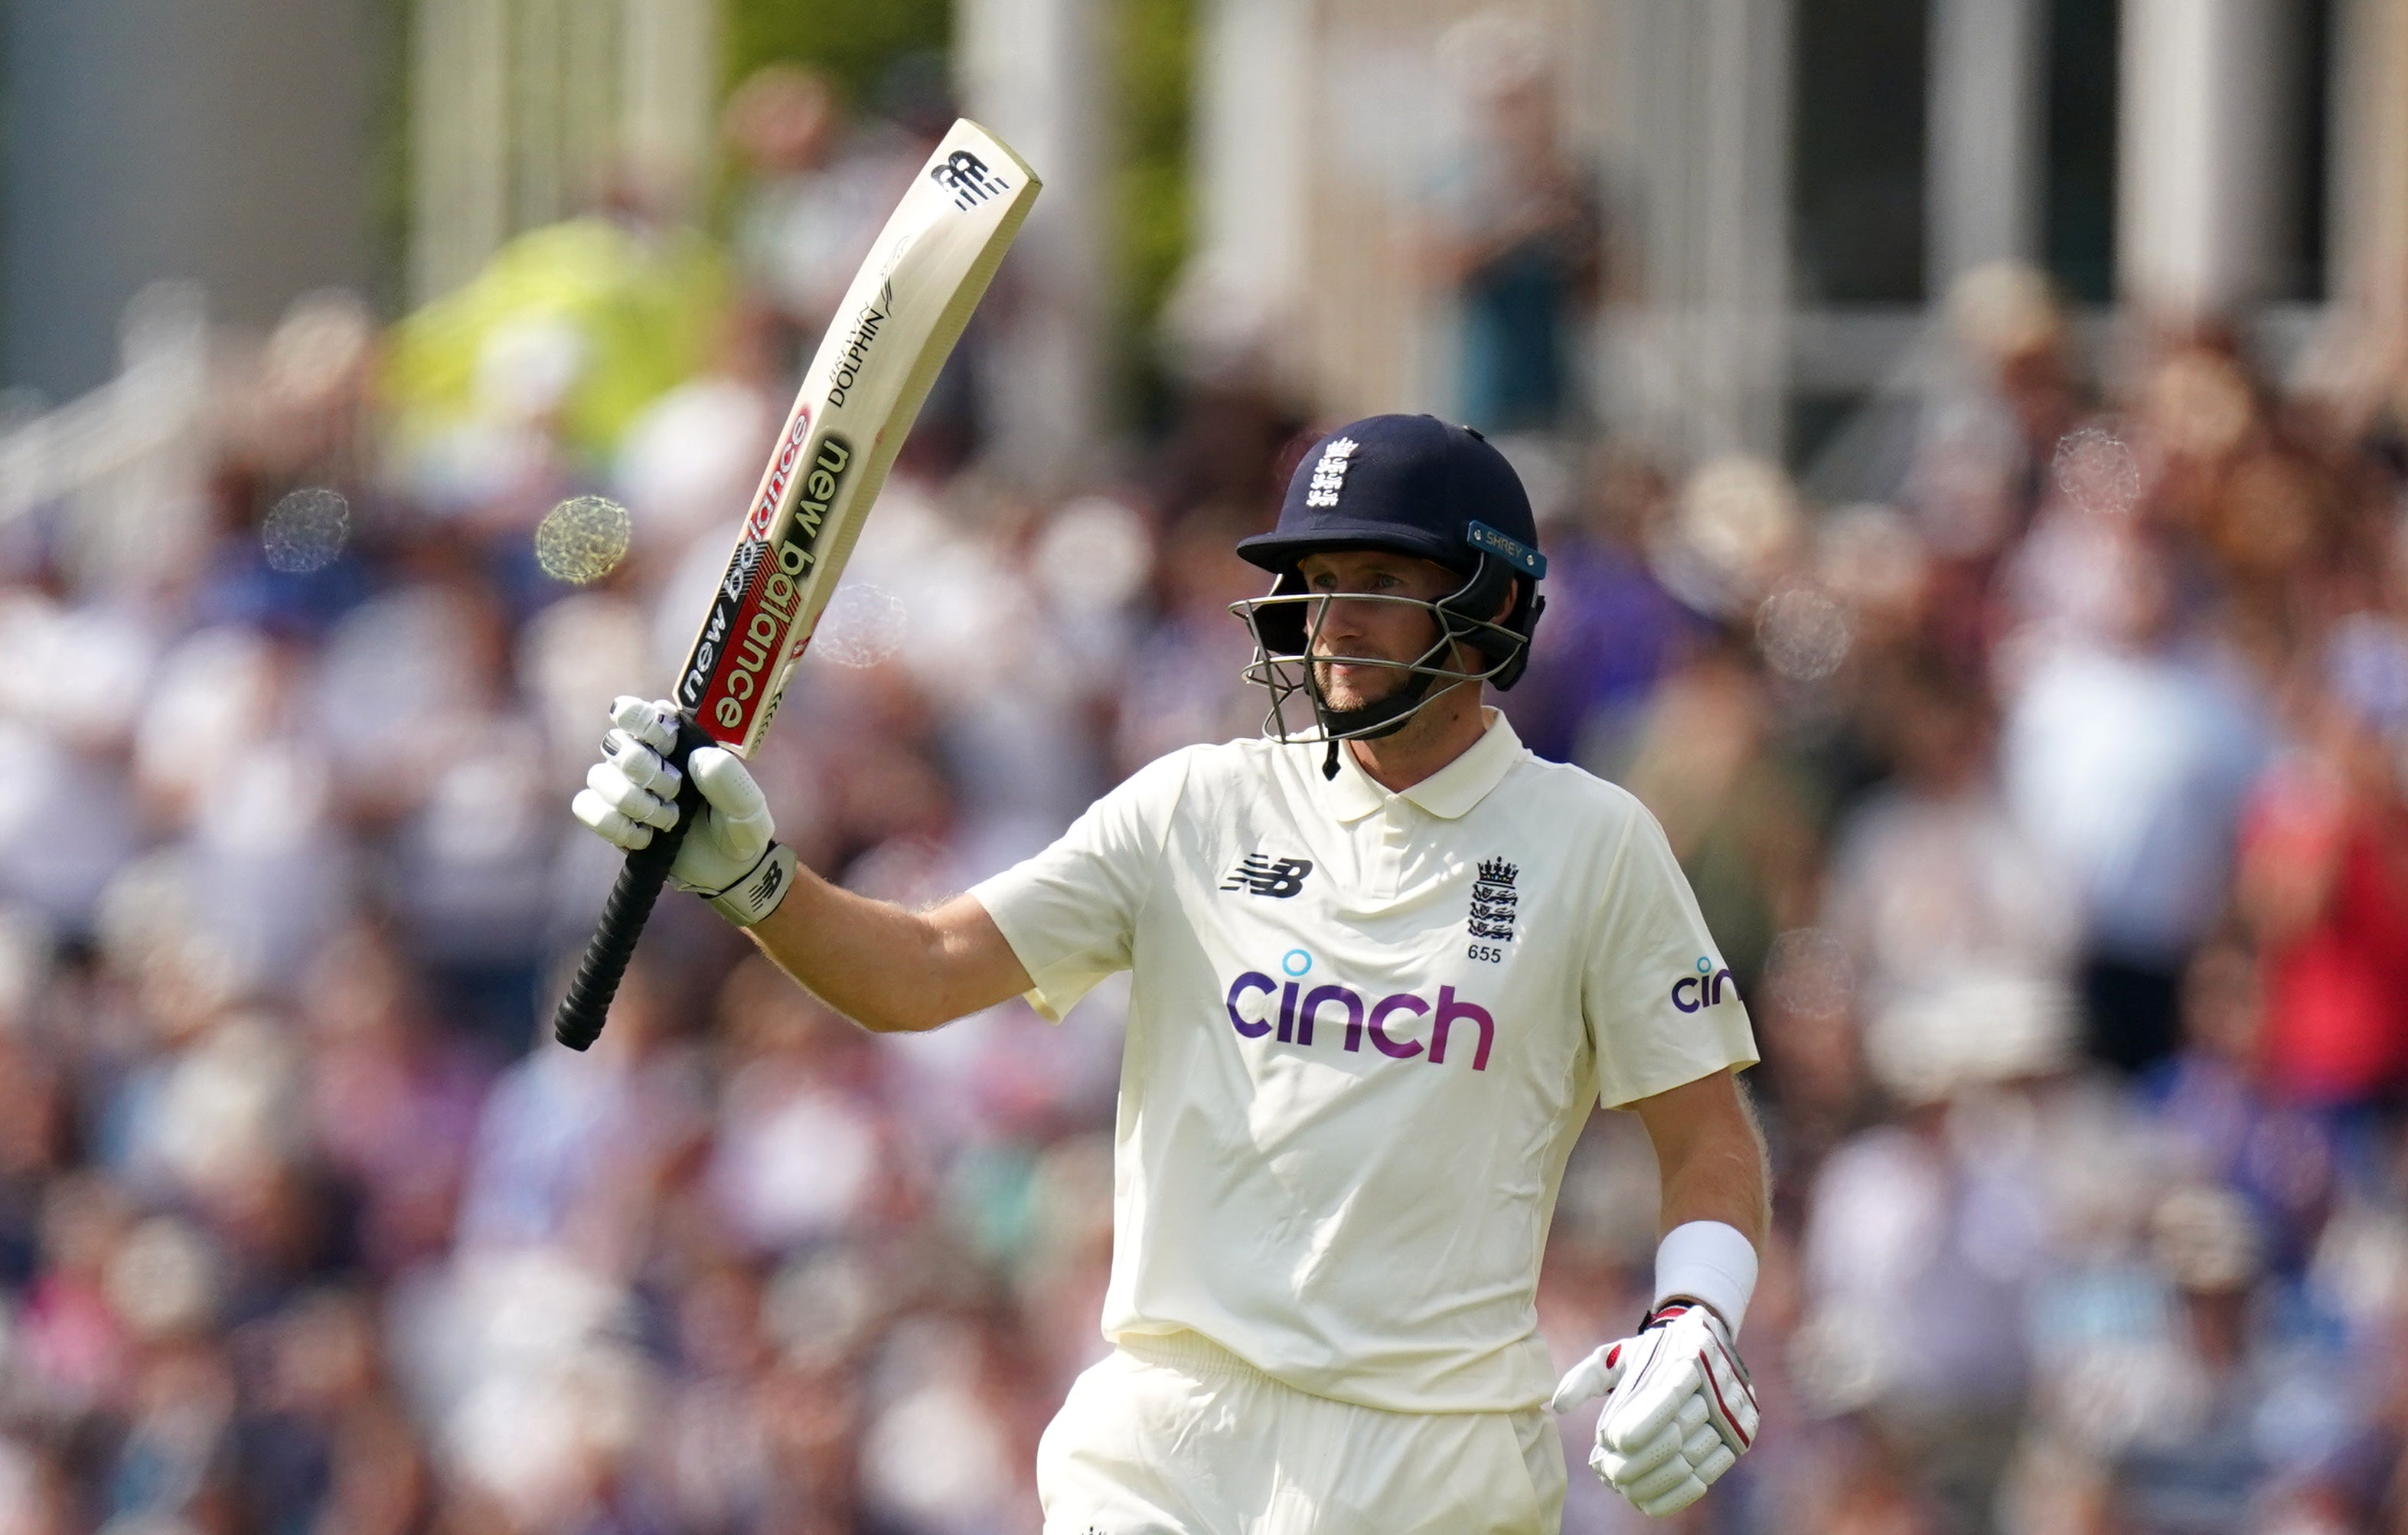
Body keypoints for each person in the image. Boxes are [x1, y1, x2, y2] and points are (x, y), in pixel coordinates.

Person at [573, 415, 1770, 1531]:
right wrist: (757, 881)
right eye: (1313, 581)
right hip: (1168, 1440)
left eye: (1380, 584)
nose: (1330, 621)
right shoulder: (1196, 804)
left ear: (1493, 601)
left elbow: (1705, 1131)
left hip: (1436, 1462)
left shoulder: (1592, 842)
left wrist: (1695, 1308)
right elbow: (927, 969)